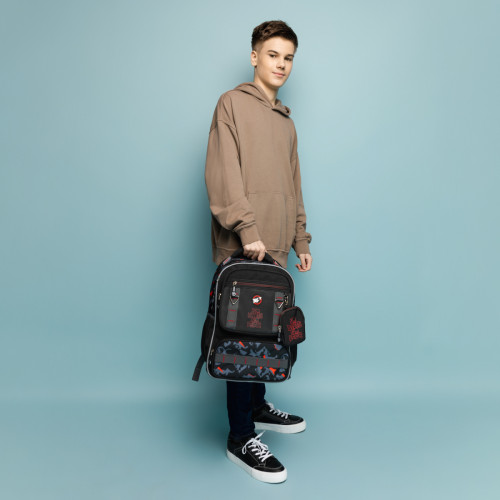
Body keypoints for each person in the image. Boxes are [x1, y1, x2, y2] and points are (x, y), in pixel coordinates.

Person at [204, 20, 312, 484]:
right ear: (254, 56)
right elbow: (223, 171)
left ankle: (258, 406)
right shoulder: (231, 104)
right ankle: (240, 436)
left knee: (267, 335)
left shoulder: (286, 122)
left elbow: (293, 185)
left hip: (279, 247)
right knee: (241, 336)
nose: (281, 64)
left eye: (288, 58)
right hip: (245, 244)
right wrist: (247, 228)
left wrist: (301, 239)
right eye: (273, 55)